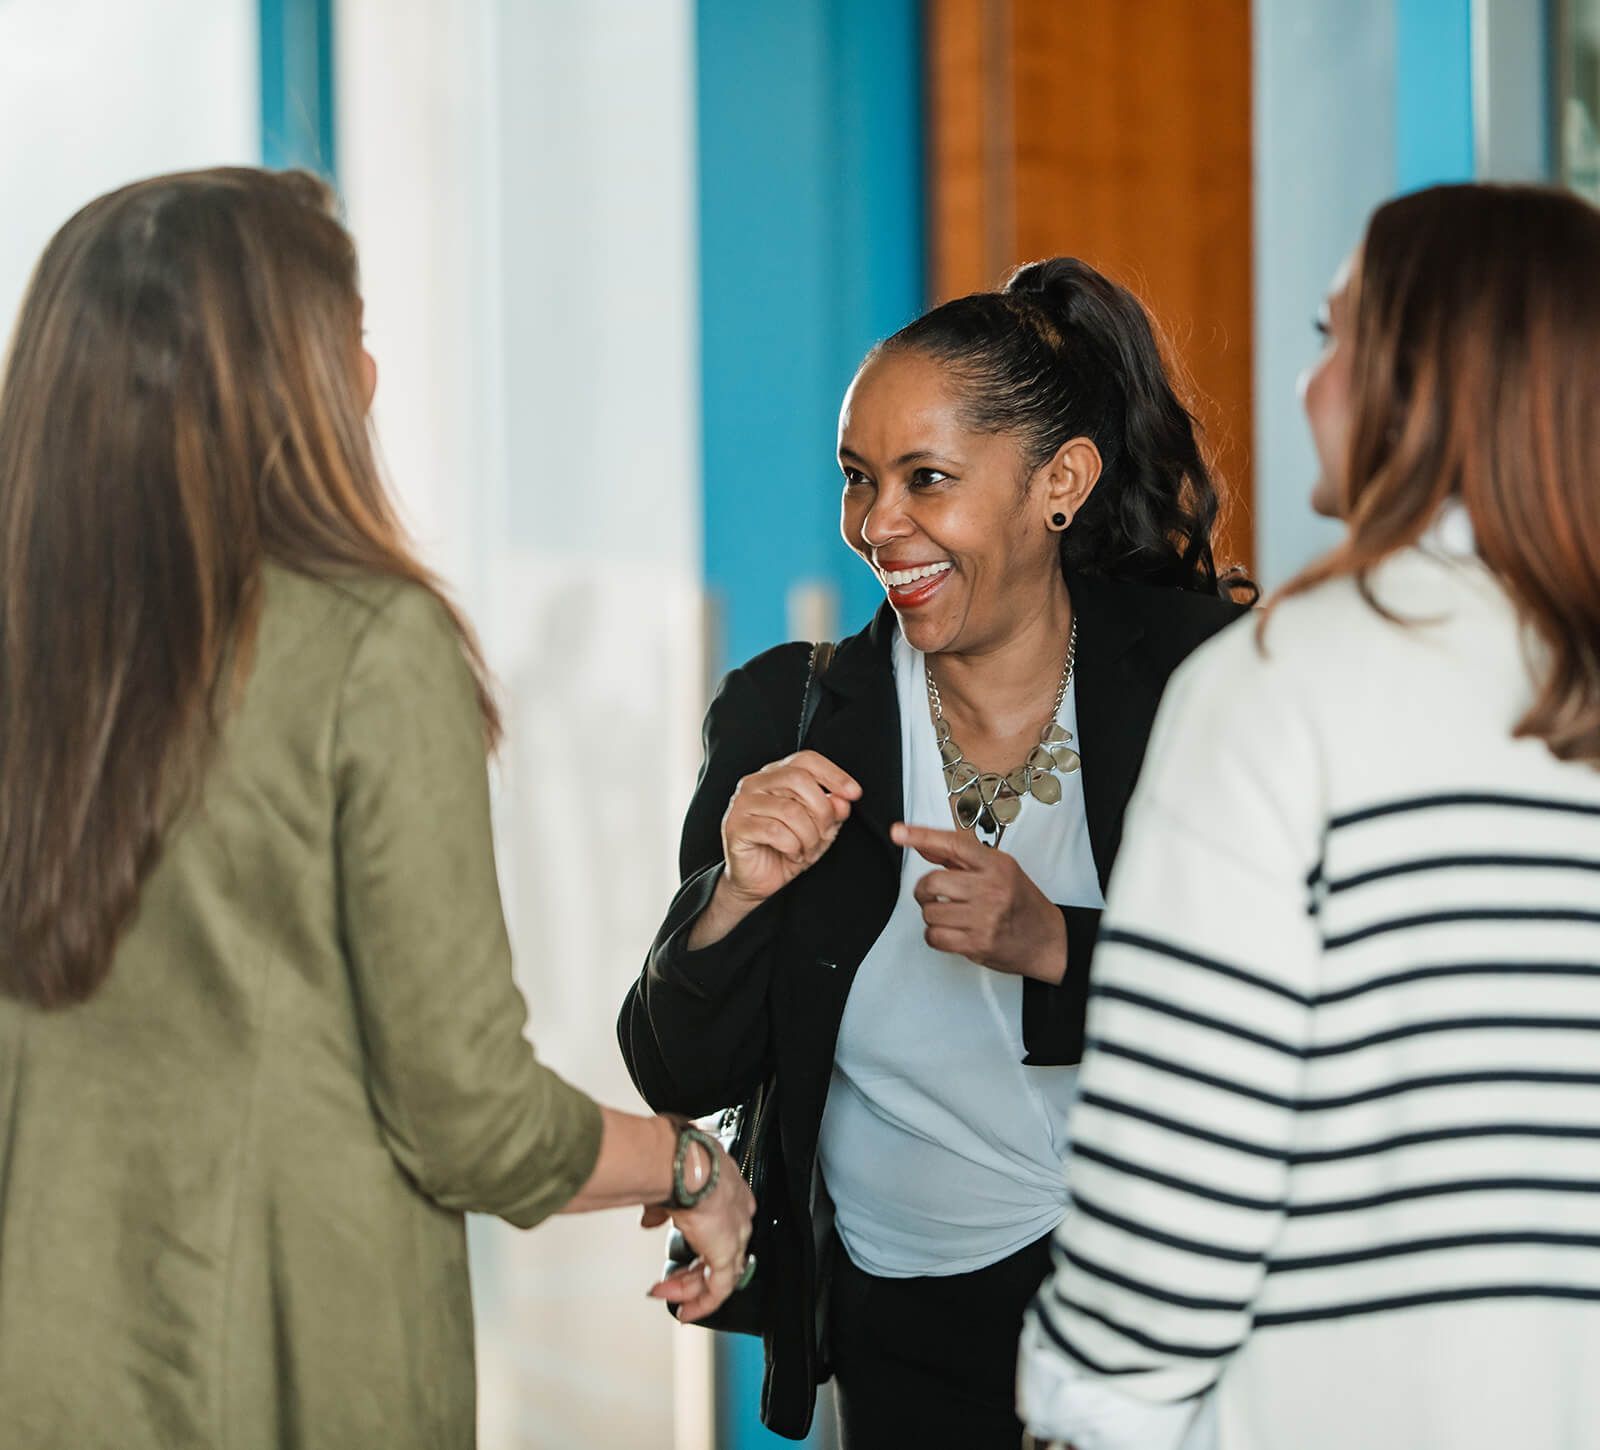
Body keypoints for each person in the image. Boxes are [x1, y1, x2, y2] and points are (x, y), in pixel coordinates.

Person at [0, 167, 753, 1450]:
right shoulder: (364, 644)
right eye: (349, 333)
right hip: (278, 1369)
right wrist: (692, 1165)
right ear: (284, 377)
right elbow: (467, 1115)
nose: (370, 373)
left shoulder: (35, 643)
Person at [619, 258, 1252, 1445]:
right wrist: (733, 899)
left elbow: (1300, 990)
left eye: (927, 480)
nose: (877, 526)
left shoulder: (1207, 678)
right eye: (859, 480)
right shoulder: (785, 714)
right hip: (903, 1331)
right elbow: (675, 1067)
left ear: (1058, 483)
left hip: (1182, 1305)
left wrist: (1055, 942)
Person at [1018, 183, 1600, 1450]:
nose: (1306, 384)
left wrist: (1086, 1406)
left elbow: (1183, 1149)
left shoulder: (1279, 683)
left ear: (1425, 383)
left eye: (1336, 338)